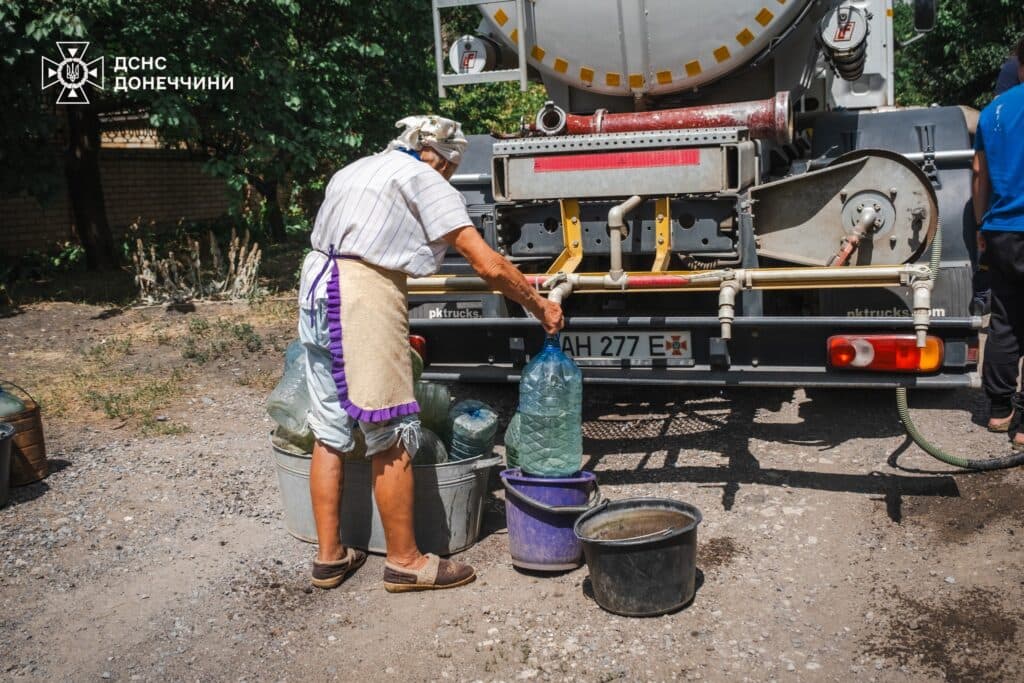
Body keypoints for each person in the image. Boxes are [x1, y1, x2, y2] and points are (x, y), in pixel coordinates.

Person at [298, 115, 564, 591]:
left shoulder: (356, 168)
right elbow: (487, 264)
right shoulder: (425, 178)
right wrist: (537, 303)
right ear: (440, 158)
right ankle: (406, 561)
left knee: (329, 426)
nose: (446, 176)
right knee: (391, 429)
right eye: (449, 168)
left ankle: (329, 557)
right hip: (363, 292)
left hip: (315, 283)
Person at [972, 37, 1024, 450]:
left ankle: (999, 409)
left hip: (1003, 229)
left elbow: (979, 174)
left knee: (1004, 318)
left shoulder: (992, 113)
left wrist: (980, 224)